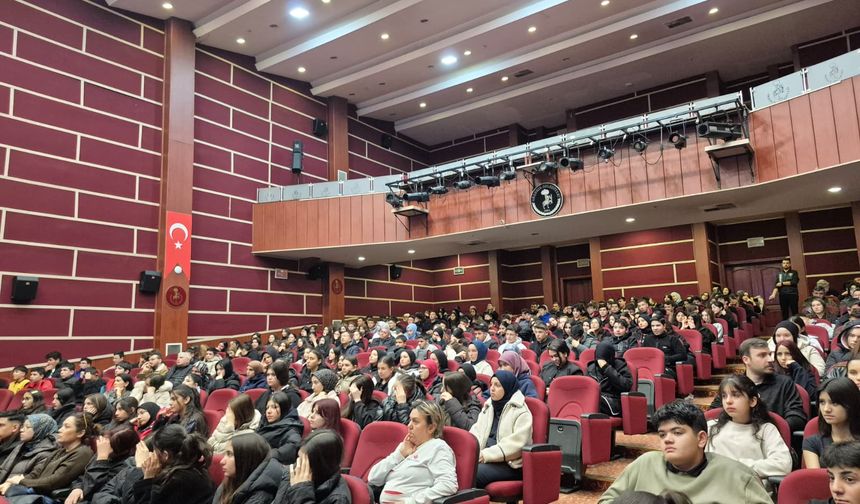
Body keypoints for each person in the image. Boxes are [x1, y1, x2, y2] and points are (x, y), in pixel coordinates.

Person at [598, 401, 772, 503]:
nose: (667, 439)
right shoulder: (646, 463)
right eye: (662, 434)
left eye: (677, 432)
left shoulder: (738, 476)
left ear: (701, 439)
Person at [705, 375, 792, 484]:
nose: (728, 401)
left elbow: (783, 464)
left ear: (752, 401)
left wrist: (737, 466)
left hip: (751, 491)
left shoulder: (766, 430)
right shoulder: (711, 427)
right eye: (724, 396)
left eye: (735, 395)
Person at [368, 401, 458, 503]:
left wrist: (412, 501)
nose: (409, 425)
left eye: (415, 421)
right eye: (410, 420)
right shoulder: (406, 446)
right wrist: (399, 454)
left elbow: (448, 484)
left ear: (431, 427)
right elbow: (373, 478)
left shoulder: (438, 447)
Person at [710, 338, 806, 432]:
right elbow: (712, 414)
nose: (771, 359)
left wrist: (766, 431)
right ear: (746, 360)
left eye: (770, 354)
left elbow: (797, 418)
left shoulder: (785, 383)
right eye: (762, 355)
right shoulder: (733, 384)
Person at [0, 412, 96, 497]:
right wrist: (11, 482)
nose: (60, 430)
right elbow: (36, 473)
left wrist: (20, 481)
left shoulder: (83, 453)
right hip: (34, 492)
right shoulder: (60, 451)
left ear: (80, 433)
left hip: (46, 497)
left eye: (66, 426)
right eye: (62, 426)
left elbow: (53, 482)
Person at [469, 370, 532, 487]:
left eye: (497, 385)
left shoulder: (520, 411)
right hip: (486, 457)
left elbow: (517, 445)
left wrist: (485, 455)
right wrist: (471, 451)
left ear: (508, 388)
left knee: (471, 474)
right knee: (457, 468)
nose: (492, 388)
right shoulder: (489, 406)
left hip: (510, 464)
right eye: (491, 384)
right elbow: (476, 431)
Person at [130, 424, 214, 504]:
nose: (152, 454)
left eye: (155, 450)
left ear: (165, 455)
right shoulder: (191, 465)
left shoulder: (177, 480)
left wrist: (143, 473)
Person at [64, 428, 139, 504]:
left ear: (124, 450)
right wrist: (77, 488)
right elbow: (83, 476)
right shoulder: (104, 453)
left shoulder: (126, 466)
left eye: (109, 445)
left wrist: (101, 460)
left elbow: (91, 492)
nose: (103, 446)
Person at [274, 429, 351, 504]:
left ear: (320, 465)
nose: (298, 465)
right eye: (299, 458)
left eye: (304, 462)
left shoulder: (338, 499)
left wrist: (300, 491)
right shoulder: (294, 472)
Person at [803, 377, 860, 468]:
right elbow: (816, 479)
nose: (826, 409)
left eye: (834, 403)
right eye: (822, 402)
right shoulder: (812, 443)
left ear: (851, 404)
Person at [213, 432, 283, 504]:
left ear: (246, 459)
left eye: (230, 454)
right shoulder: (231, 481)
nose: (222, 461)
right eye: (224, 454)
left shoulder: (260, 497)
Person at [0, 414, 56, 484]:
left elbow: (31, 479)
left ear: (39, 430)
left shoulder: (45, 454)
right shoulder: (21, 446)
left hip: (13, 491)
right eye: (23, 426)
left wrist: (7, 485)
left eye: (28, 427)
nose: (21, 430)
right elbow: (3, 469)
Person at [586, 341, 634, 416]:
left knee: (594, 399)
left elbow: (626, 385)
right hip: (596, 398)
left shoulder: (620, 365)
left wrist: (606, 368)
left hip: (613, 401)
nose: (600, 362)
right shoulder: (591, 367)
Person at [256, 391, 303, 465]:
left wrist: (267, 456)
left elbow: (294, 445)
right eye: (267, 408)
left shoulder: (290, 428)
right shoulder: (264, 423)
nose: (269, 411)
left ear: (284, 408)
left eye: (274, 407)